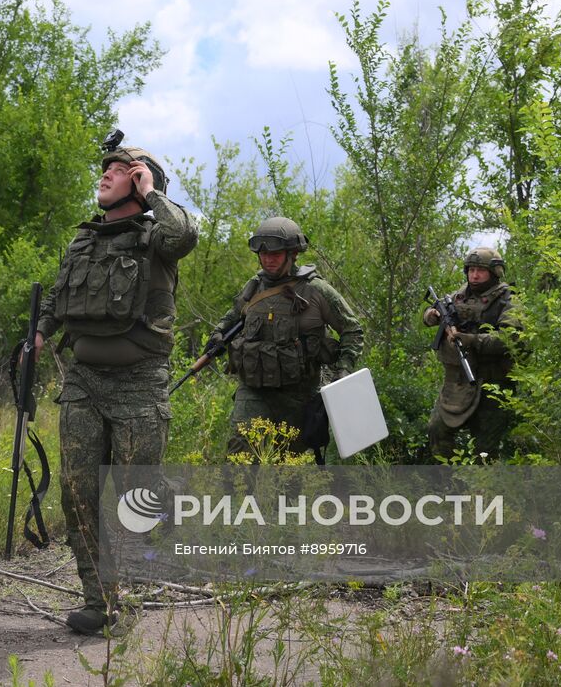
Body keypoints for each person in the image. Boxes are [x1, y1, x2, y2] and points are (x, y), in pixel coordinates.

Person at [32, 133, 197, 636]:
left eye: (119, 168)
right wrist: (38, 334)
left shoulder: (157, 238)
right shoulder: (83, 239)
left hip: (140, 384)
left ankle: (146, 552)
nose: (105, 173)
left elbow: (185, 235)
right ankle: (100, 600)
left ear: (142, 180)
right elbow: (58, 297)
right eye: (104, 167)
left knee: (131, 497)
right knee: (79, 492)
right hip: (84, 382)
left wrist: (150, 190)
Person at [207, 217, 363, 462]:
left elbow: (352, 330)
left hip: (298, 394)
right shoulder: (254, 288)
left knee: (288, 467)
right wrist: (218, 334)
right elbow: (233, 315)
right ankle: (239, 501)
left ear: (292, 254)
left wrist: (343, 371)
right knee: (240, 452)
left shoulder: (316, 290)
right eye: (263, 253)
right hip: (254, 389)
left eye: (276, 254)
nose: (268, 259)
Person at [424, 246, 521, 460]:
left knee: (484, 451)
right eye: (471, 269)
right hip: (457, 384)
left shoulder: (508, 299)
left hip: (492, 385)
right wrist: (431, 315)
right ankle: (448, 486)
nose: (474, 275)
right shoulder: (460, 296)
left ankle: (482, 492)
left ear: (494, 272)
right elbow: (436, 308)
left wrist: (473, 340)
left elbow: (509, 339)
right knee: (437, 431)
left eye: (481, 270)